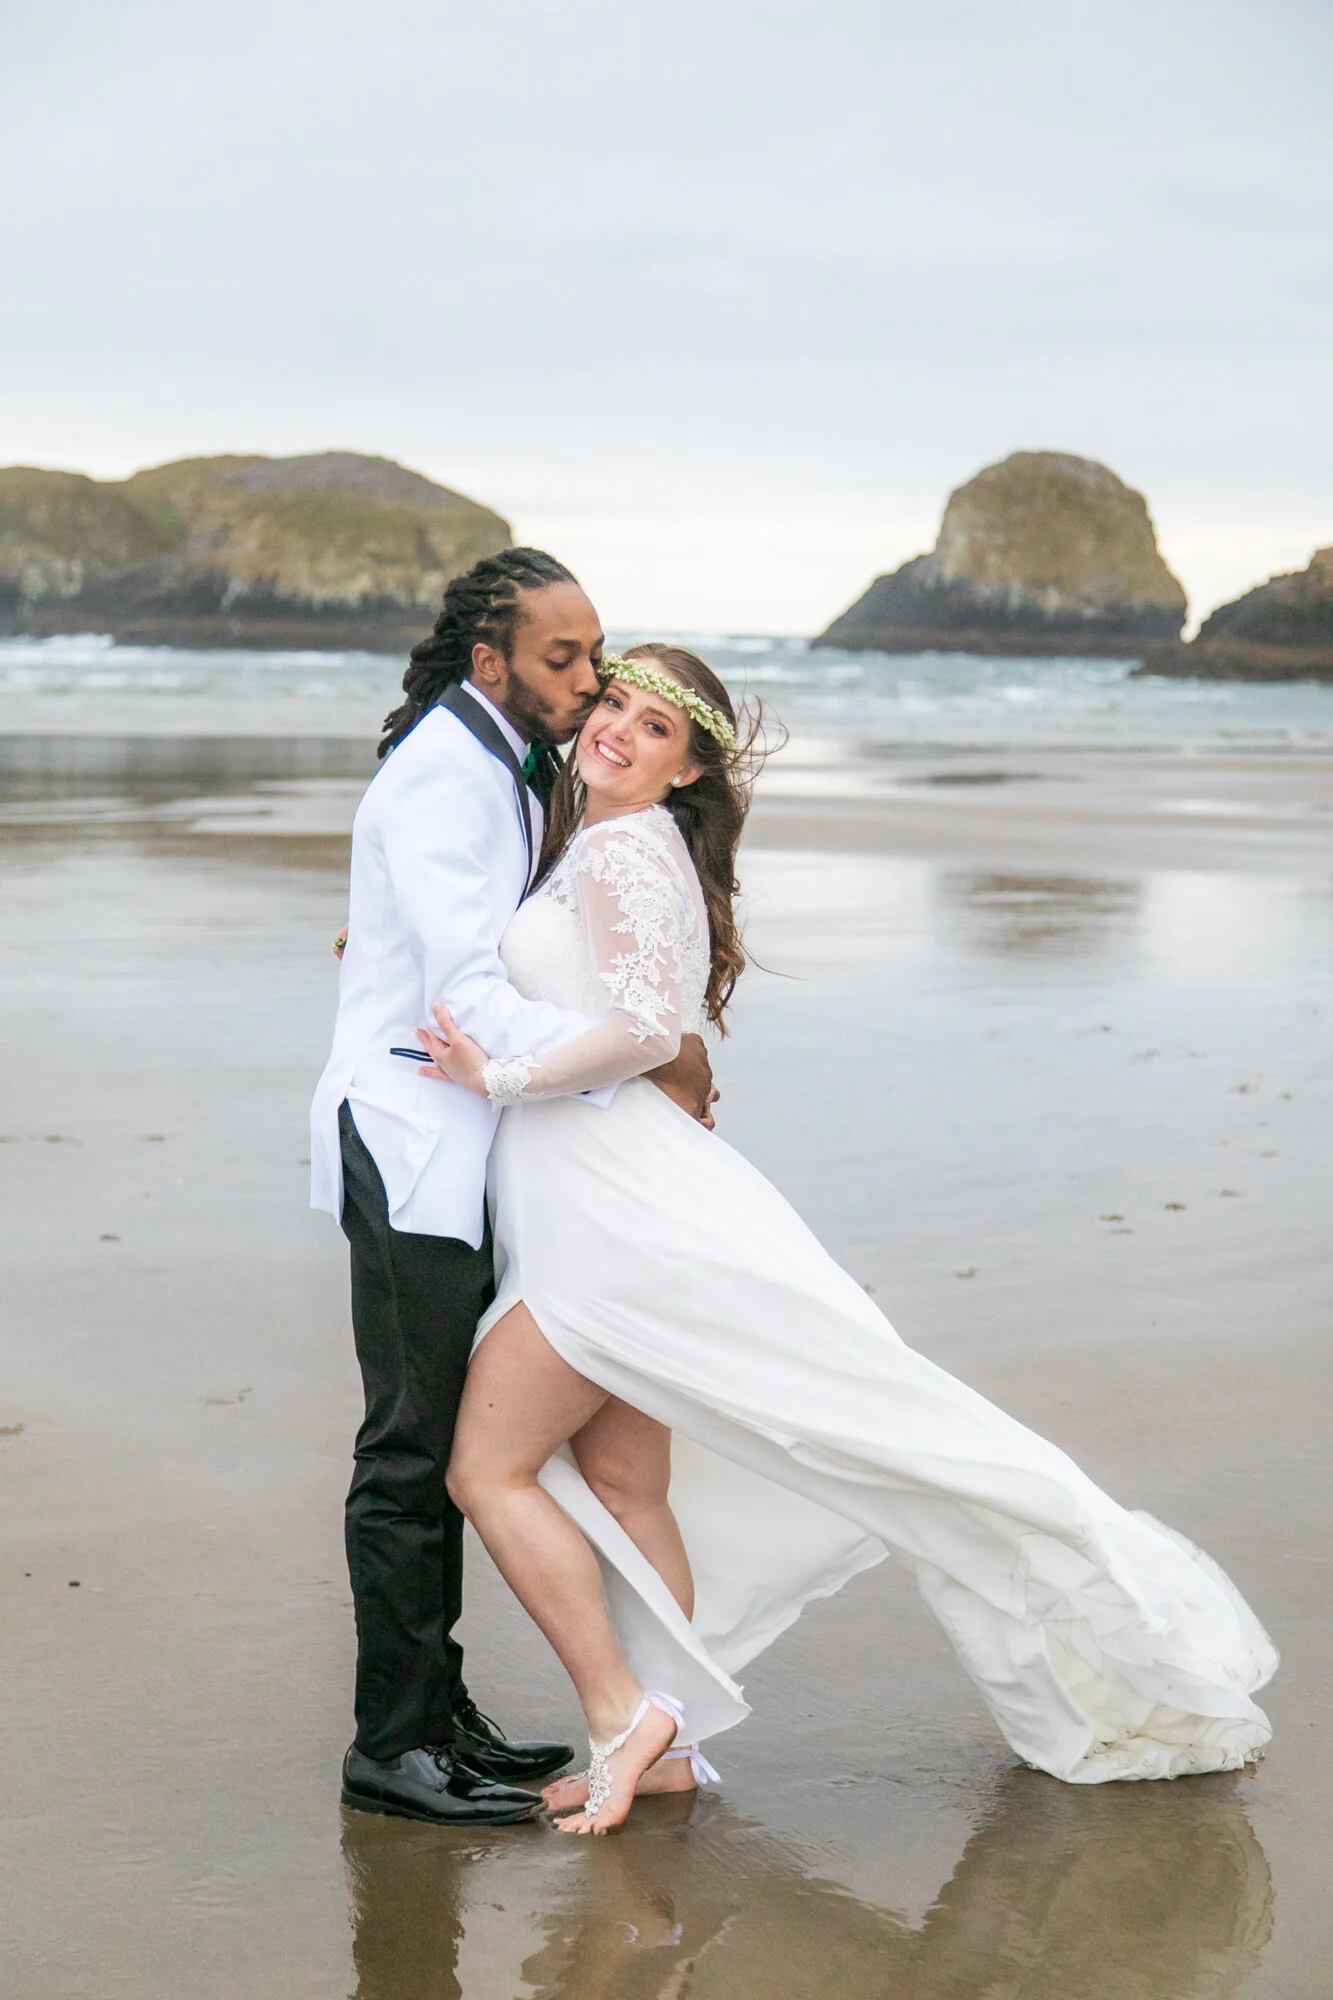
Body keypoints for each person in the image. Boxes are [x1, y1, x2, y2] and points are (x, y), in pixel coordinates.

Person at [417, 643, 1278, 1835]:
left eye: (652, 728)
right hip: (608, 1197)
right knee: (622, 1479)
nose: (616, 729)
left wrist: (494, 1072)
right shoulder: (608, 842)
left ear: (685, 772)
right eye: (611, 703)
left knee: (487, 1467)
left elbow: (642, 1029)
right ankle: (665, 1738)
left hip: (607, 1219)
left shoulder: (621, 847)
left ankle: (626, 1717)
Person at [310, 554, 715, 1828]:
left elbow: (470, 926)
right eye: (565, 660)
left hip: (478, 1140)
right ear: (492, 661)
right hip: (419, 1134)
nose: (590, 683)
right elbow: (463, 980)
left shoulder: (511, 757)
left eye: (597, 659)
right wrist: (624, 1067)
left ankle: (440, 1713)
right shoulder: (444, 768)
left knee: (447, 1448)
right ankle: (395, 1747)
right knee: (411, 1452)